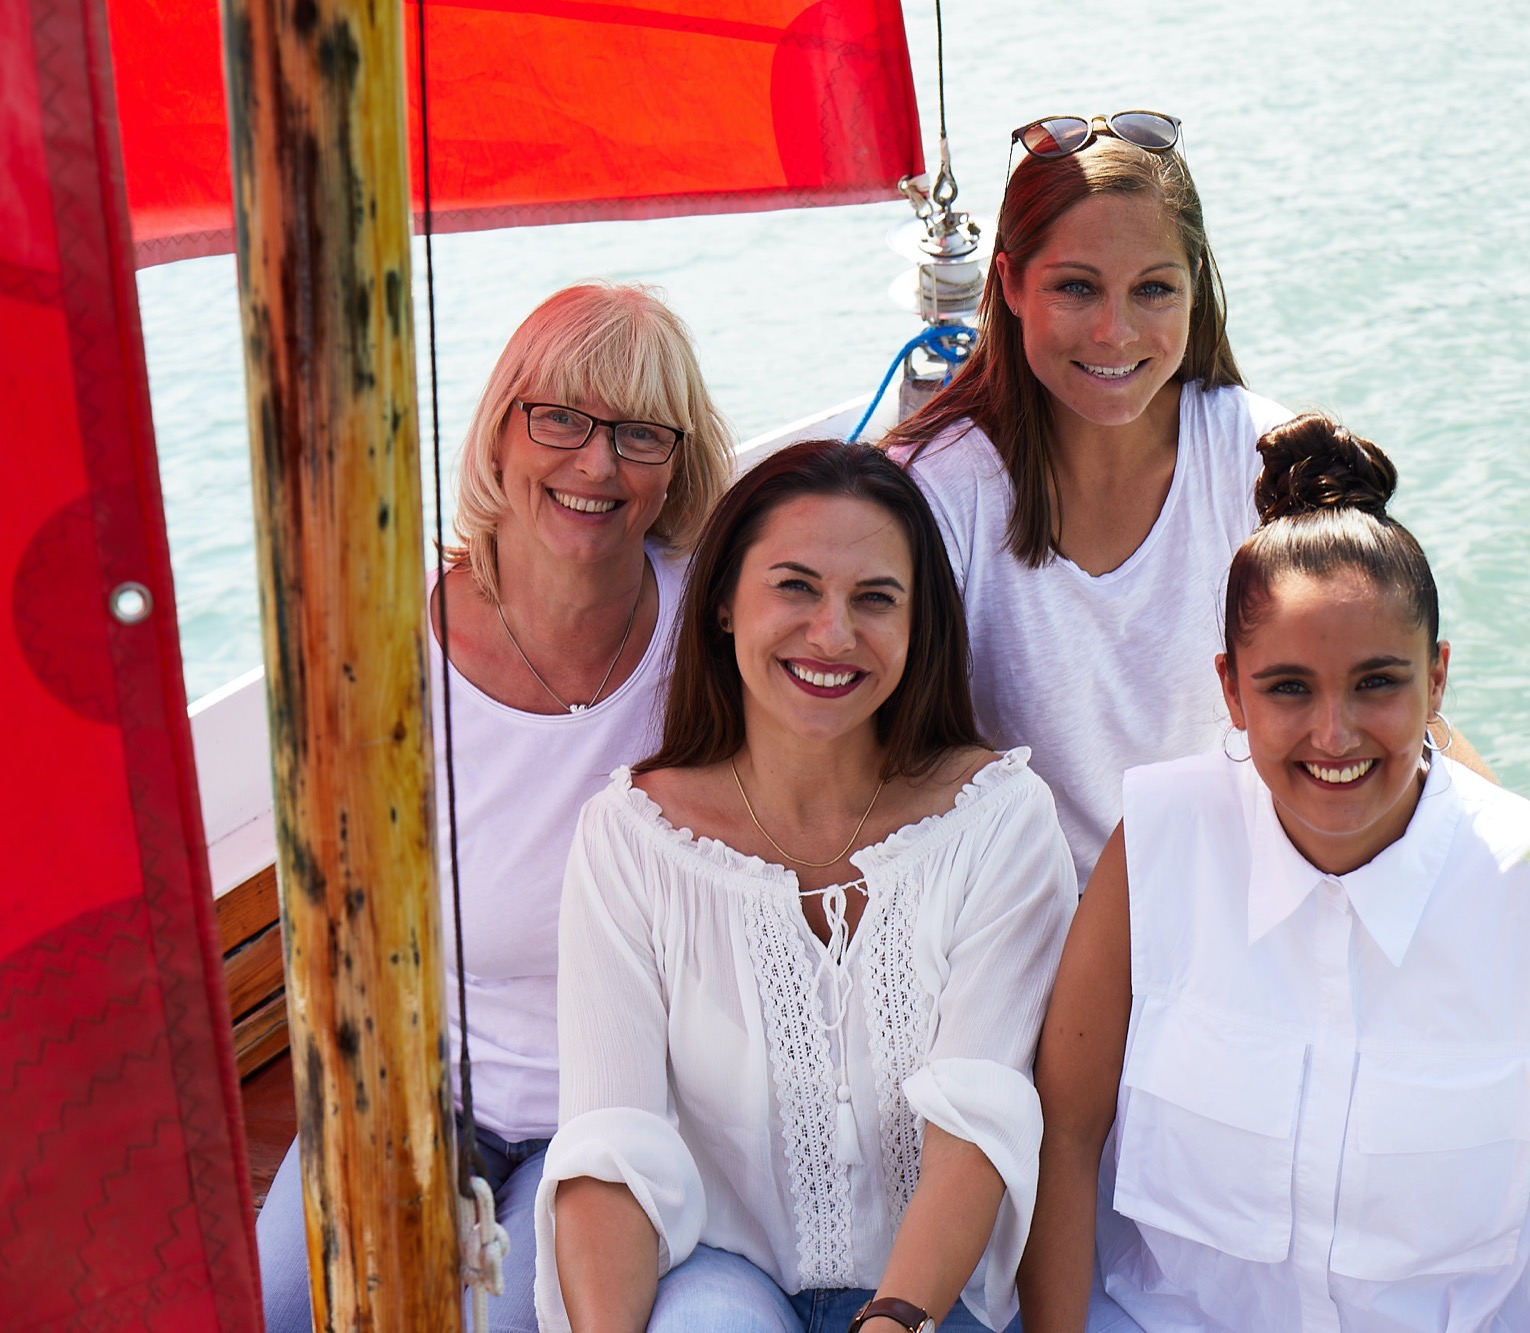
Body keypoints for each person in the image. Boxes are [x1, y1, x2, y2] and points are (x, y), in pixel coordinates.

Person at [1021, 416, 1530, 1332]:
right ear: (1232, 689)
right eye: (1288, 686)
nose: (1334, 733)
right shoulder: (1156, 847)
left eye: (1377, 682)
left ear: (1437, 679)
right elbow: (1067, 1131)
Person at [256, 282, 733, 1332]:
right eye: (559, 418)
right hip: (416, 1092)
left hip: (614, 1120)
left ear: (676, 465)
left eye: (639, 434)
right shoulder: (389, 644)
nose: (596, 464)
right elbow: (330, 923)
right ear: (501, 430)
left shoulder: (718, 631)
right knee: (275, 1305)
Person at [534, 440, 1077, 1333]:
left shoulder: (997, 821)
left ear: (920, 624)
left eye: (875, 598)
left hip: (935, 1295)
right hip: (723, 1275)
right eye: (795, 586)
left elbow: (978, 1125)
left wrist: (894, 1320)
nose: (832, 634)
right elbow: (612, 1150)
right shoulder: (631, 840)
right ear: (723, 603)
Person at [886, 112, 1493, 891]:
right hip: (1019, 917)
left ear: (1193, 286)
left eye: (1153, 289)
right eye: (1076, 287)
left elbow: (1389, 697)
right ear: (1009, 283)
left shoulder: (1263, 461)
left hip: (1231, 896)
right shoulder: (931, 492)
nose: (1115, 331)